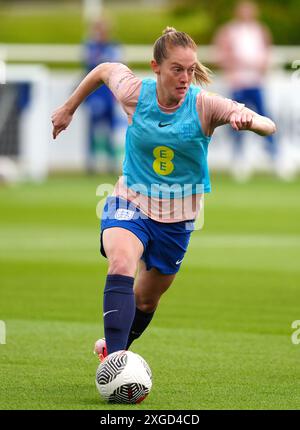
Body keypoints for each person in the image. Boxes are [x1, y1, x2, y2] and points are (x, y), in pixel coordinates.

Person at [51, 27, 276, 360]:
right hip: (131, 198)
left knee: (145, 300)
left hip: (178, 216)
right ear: (156, 67)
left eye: (190, 69)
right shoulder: (133, 92)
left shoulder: (205, 105)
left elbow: (267, 124)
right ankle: (114, 362)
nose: (185, 77)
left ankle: (115, 350)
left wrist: (250, 120)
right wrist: (68, 108)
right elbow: (102, 70)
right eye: (177, 69)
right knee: (122, 261)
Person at [213, 1, 276, 178]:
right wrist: (233, 66)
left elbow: (267, 52)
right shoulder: (229, 30)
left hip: (256, 82)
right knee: (238, 121)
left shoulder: (260, 30)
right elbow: (221, 54)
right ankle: (238, 159)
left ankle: (273, 156)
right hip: (238, 82)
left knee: (264, 117)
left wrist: (261, 66)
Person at [83, 19, 121, 173]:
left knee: (111, 129)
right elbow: (88, 66)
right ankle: (91, 162)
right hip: (95, 94)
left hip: (109, 93)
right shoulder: (90, 47)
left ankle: (111, 161)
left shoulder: (114, 46)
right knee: (93, 129)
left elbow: (120, 67)